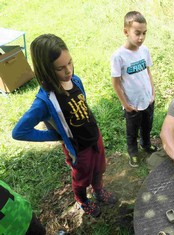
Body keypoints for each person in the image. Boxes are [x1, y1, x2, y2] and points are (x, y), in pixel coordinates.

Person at [12, 34, 116, 217]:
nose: (68, 70)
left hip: (94, 137)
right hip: (78, 149)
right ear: (46, 70)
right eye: (60, 68)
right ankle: (83, 200)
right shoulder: (44, 101)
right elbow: (19, 131)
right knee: (81, 178)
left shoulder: (75, 80)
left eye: (70, 62)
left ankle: (98, 190)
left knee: (99, 167)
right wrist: (56, 135)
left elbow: (82, 105)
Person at [110, 11, 157, 168]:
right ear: (126, 31)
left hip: (147, 100)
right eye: (137, 33)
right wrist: (126, 104)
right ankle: (133, 152)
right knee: (132, 131)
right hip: (132, 105)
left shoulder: (145, 51)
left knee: (147, 126)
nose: (141, 37)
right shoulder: (118, 56)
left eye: (144, 33)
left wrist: (153, 92)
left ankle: (146, 143)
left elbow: (148, 72)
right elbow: (116, 83)